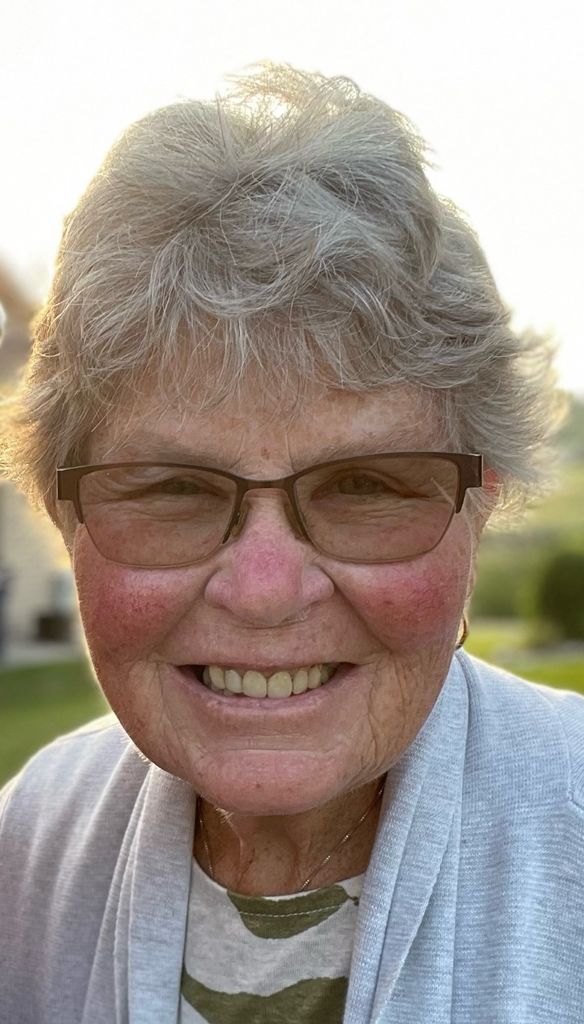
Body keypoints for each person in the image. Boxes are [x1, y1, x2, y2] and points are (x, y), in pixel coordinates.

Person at [0, 63, 582, 1024]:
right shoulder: (30, 849)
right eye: (174, 489)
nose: (265, 589)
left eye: (364, 487)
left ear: (480, 510)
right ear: (66, 523)